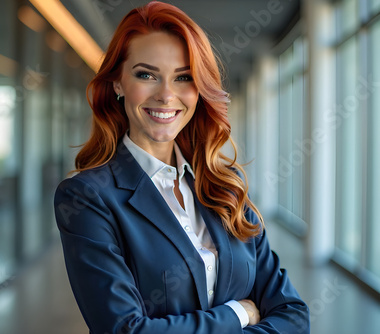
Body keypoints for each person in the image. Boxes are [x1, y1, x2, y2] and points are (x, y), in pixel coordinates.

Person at [54, 1, 310, 333]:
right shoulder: (87, 198)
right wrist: (240, 313)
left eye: (183, 77)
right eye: (146, 75)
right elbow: (126, 330)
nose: (166, 95)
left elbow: (292, 313)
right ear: (117, 83)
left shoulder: (224, 186)